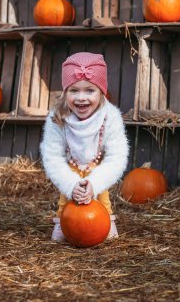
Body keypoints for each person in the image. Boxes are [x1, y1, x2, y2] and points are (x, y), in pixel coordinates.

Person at [40, 52, 129, 242]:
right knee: (66, 198)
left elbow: (117, 157)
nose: (81, 98)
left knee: (102, 198)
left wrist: (95, 183)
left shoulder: (110, 116)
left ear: (102, 92)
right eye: (74, 90)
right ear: (65, 92)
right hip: (69, 169)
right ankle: (64, 221)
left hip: (97, 169)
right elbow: (52, 157)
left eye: (90, 90)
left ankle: (105, 219)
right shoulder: (57, 117)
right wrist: (71, 185)